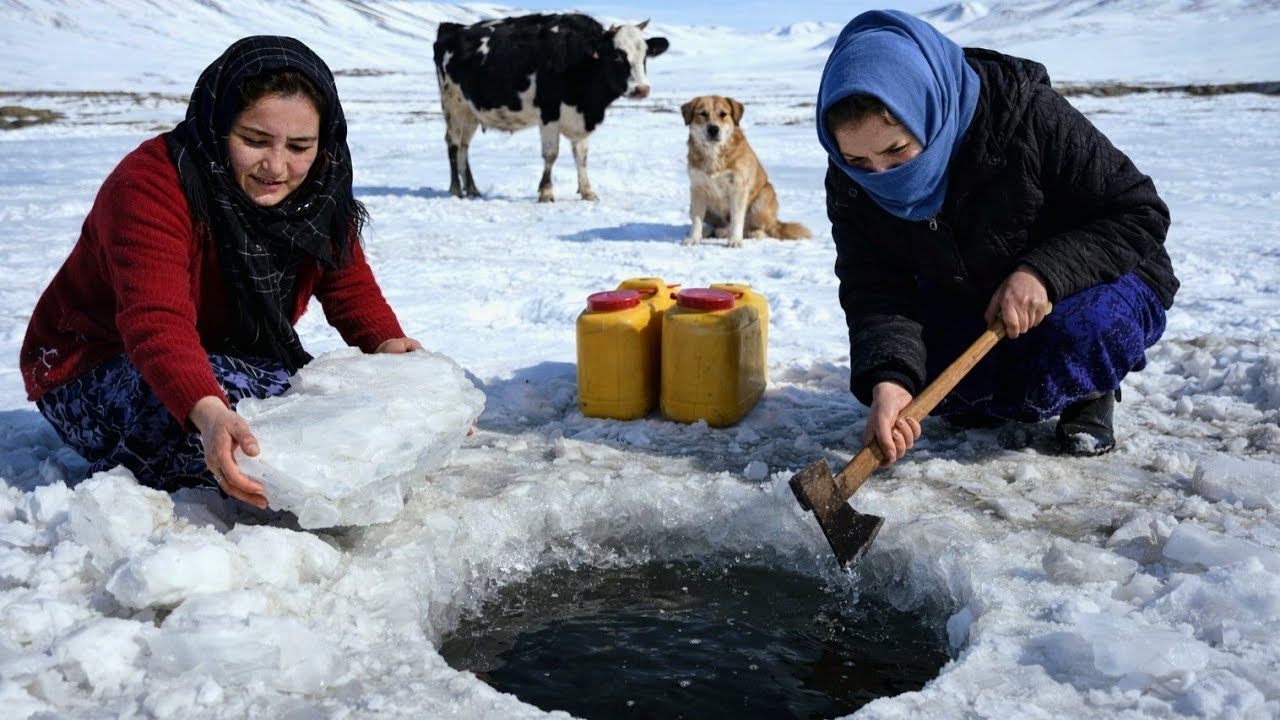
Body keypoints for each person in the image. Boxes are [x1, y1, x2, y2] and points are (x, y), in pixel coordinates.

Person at [20, 36, 423, 508]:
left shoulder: (319, 189)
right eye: (253, 140)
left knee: (329, 405)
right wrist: (208, 413)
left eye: (299, 146)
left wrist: (405, 372)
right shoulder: (150, 186)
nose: (276, 166)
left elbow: (348, 286)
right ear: (218, 123)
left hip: (219, 354)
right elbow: (155, 321)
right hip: (95, 362)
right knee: (248, 427)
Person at [815, 11, 1178, 461]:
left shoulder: (1025, 115)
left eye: (897, 150)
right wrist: (891, 378)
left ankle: (1090, 393)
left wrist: (1044, 273)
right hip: (970, 291)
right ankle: (988, 395)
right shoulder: (851, 178)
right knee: (909, 375)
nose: (883, 176)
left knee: (1082, 333)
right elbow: (875, 286)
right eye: (859, 160)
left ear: (929, 109)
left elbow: (1138, 212)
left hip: (1091, 283)